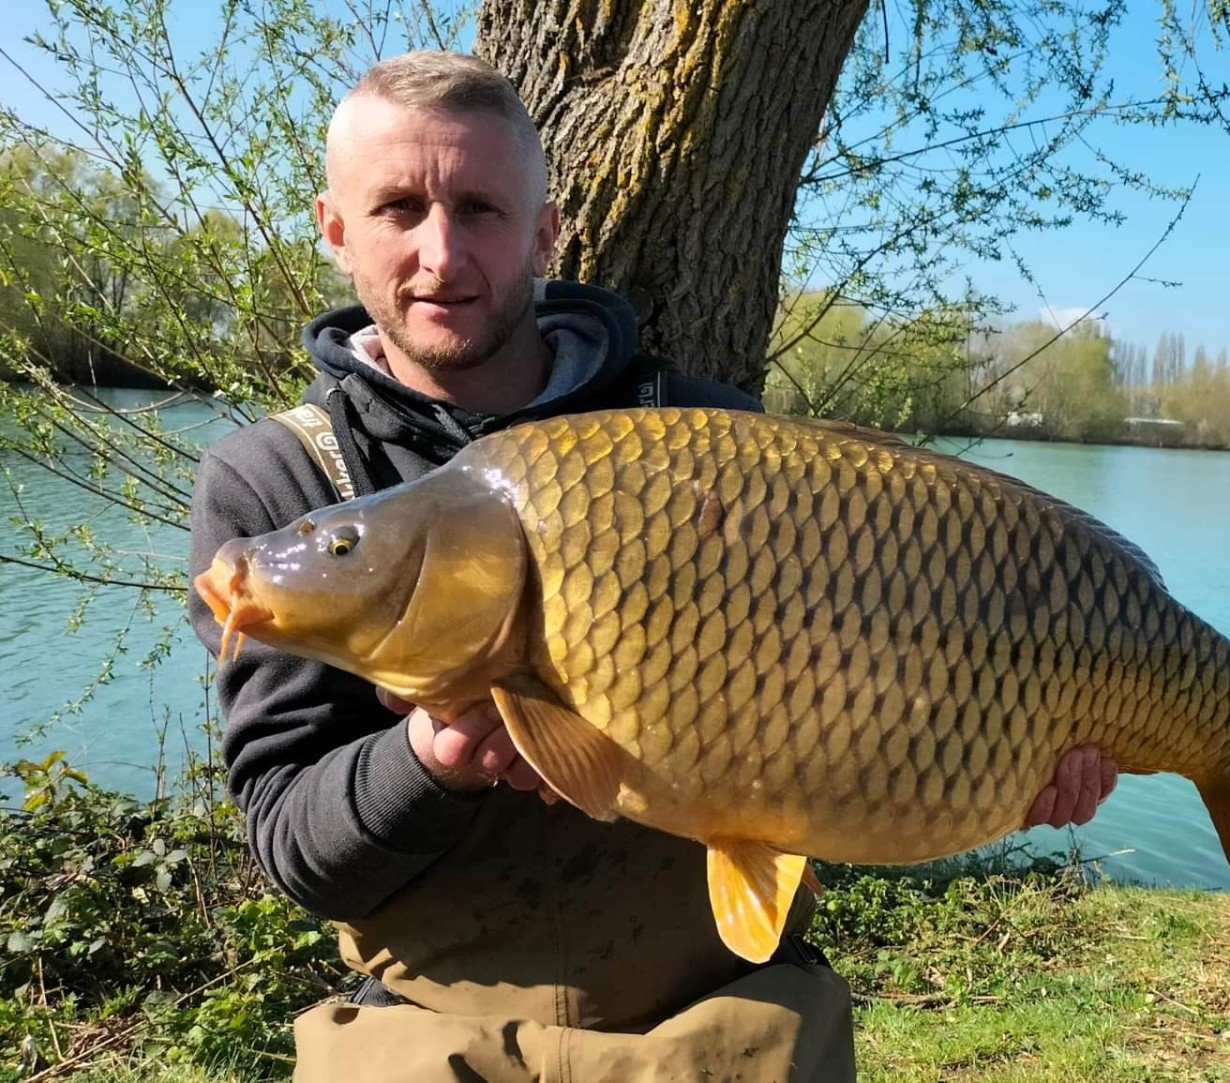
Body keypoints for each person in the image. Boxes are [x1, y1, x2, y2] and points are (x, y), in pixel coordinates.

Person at [186, 50, 1117, 1082]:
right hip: (428, 1025)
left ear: (545, 232)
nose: (441, 254)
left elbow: (866, 705)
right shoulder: (278, 482)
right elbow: (296, 851)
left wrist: (1010, 752)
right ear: (336, 229)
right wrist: (430, 760)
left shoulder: (711, 440)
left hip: (718, 1012)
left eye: (483, 210)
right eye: (399, 207)